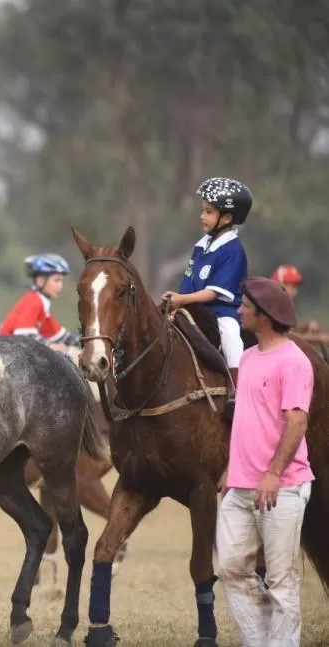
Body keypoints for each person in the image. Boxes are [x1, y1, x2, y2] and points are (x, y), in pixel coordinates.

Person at [216, 276, 314, 647]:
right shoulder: (248, 358)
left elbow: (297, 422)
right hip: (239, 486)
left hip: (282, 488)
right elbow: (247, 420)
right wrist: (231, 466)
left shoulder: (294, 362)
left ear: (266, 316)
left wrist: (273, 473)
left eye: (245, 306)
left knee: (281, 579)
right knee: (230, 568)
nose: (239, 310)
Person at [161, 177, 251, 410]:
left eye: (209, 212)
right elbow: (189, 280)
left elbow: (212, 293)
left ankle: (236, 389)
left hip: (222, 313)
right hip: (192, 307)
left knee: (230, 335)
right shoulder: (201, 246)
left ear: (227, 218)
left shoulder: (233, 251)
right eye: (203, 210)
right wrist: (176, 301)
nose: (202, 216)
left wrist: (183, 299)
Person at [0, 253, 80, 352]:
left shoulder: (43, 305)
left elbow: (63, 336)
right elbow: (24, 336)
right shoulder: (33, 301)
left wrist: (89, 341)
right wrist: (50, 345)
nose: (61, 286)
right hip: (5, 353)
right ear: (40, 281)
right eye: (57, 280)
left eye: (62, 281)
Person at [271, 264, 319, 333]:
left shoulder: (285, 309)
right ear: (280, 285)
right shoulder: (269, 310)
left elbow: (290, 331)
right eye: (293, 287)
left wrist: (306, 328)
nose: (296, 292)